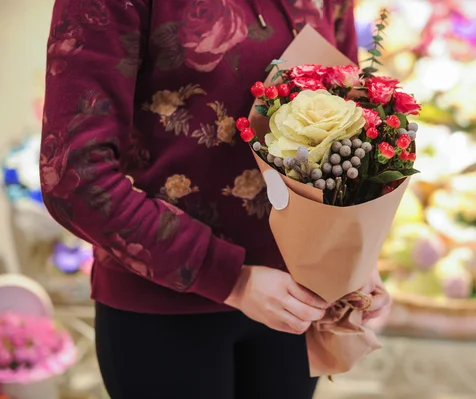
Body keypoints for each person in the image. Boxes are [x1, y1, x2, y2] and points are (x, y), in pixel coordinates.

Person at [41, 0, 390, 398]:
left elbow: (348, 115)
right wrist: (233, 280)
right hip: (164, 310)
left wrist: (351, 249)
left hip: (296, 300)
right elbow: (76, 177)